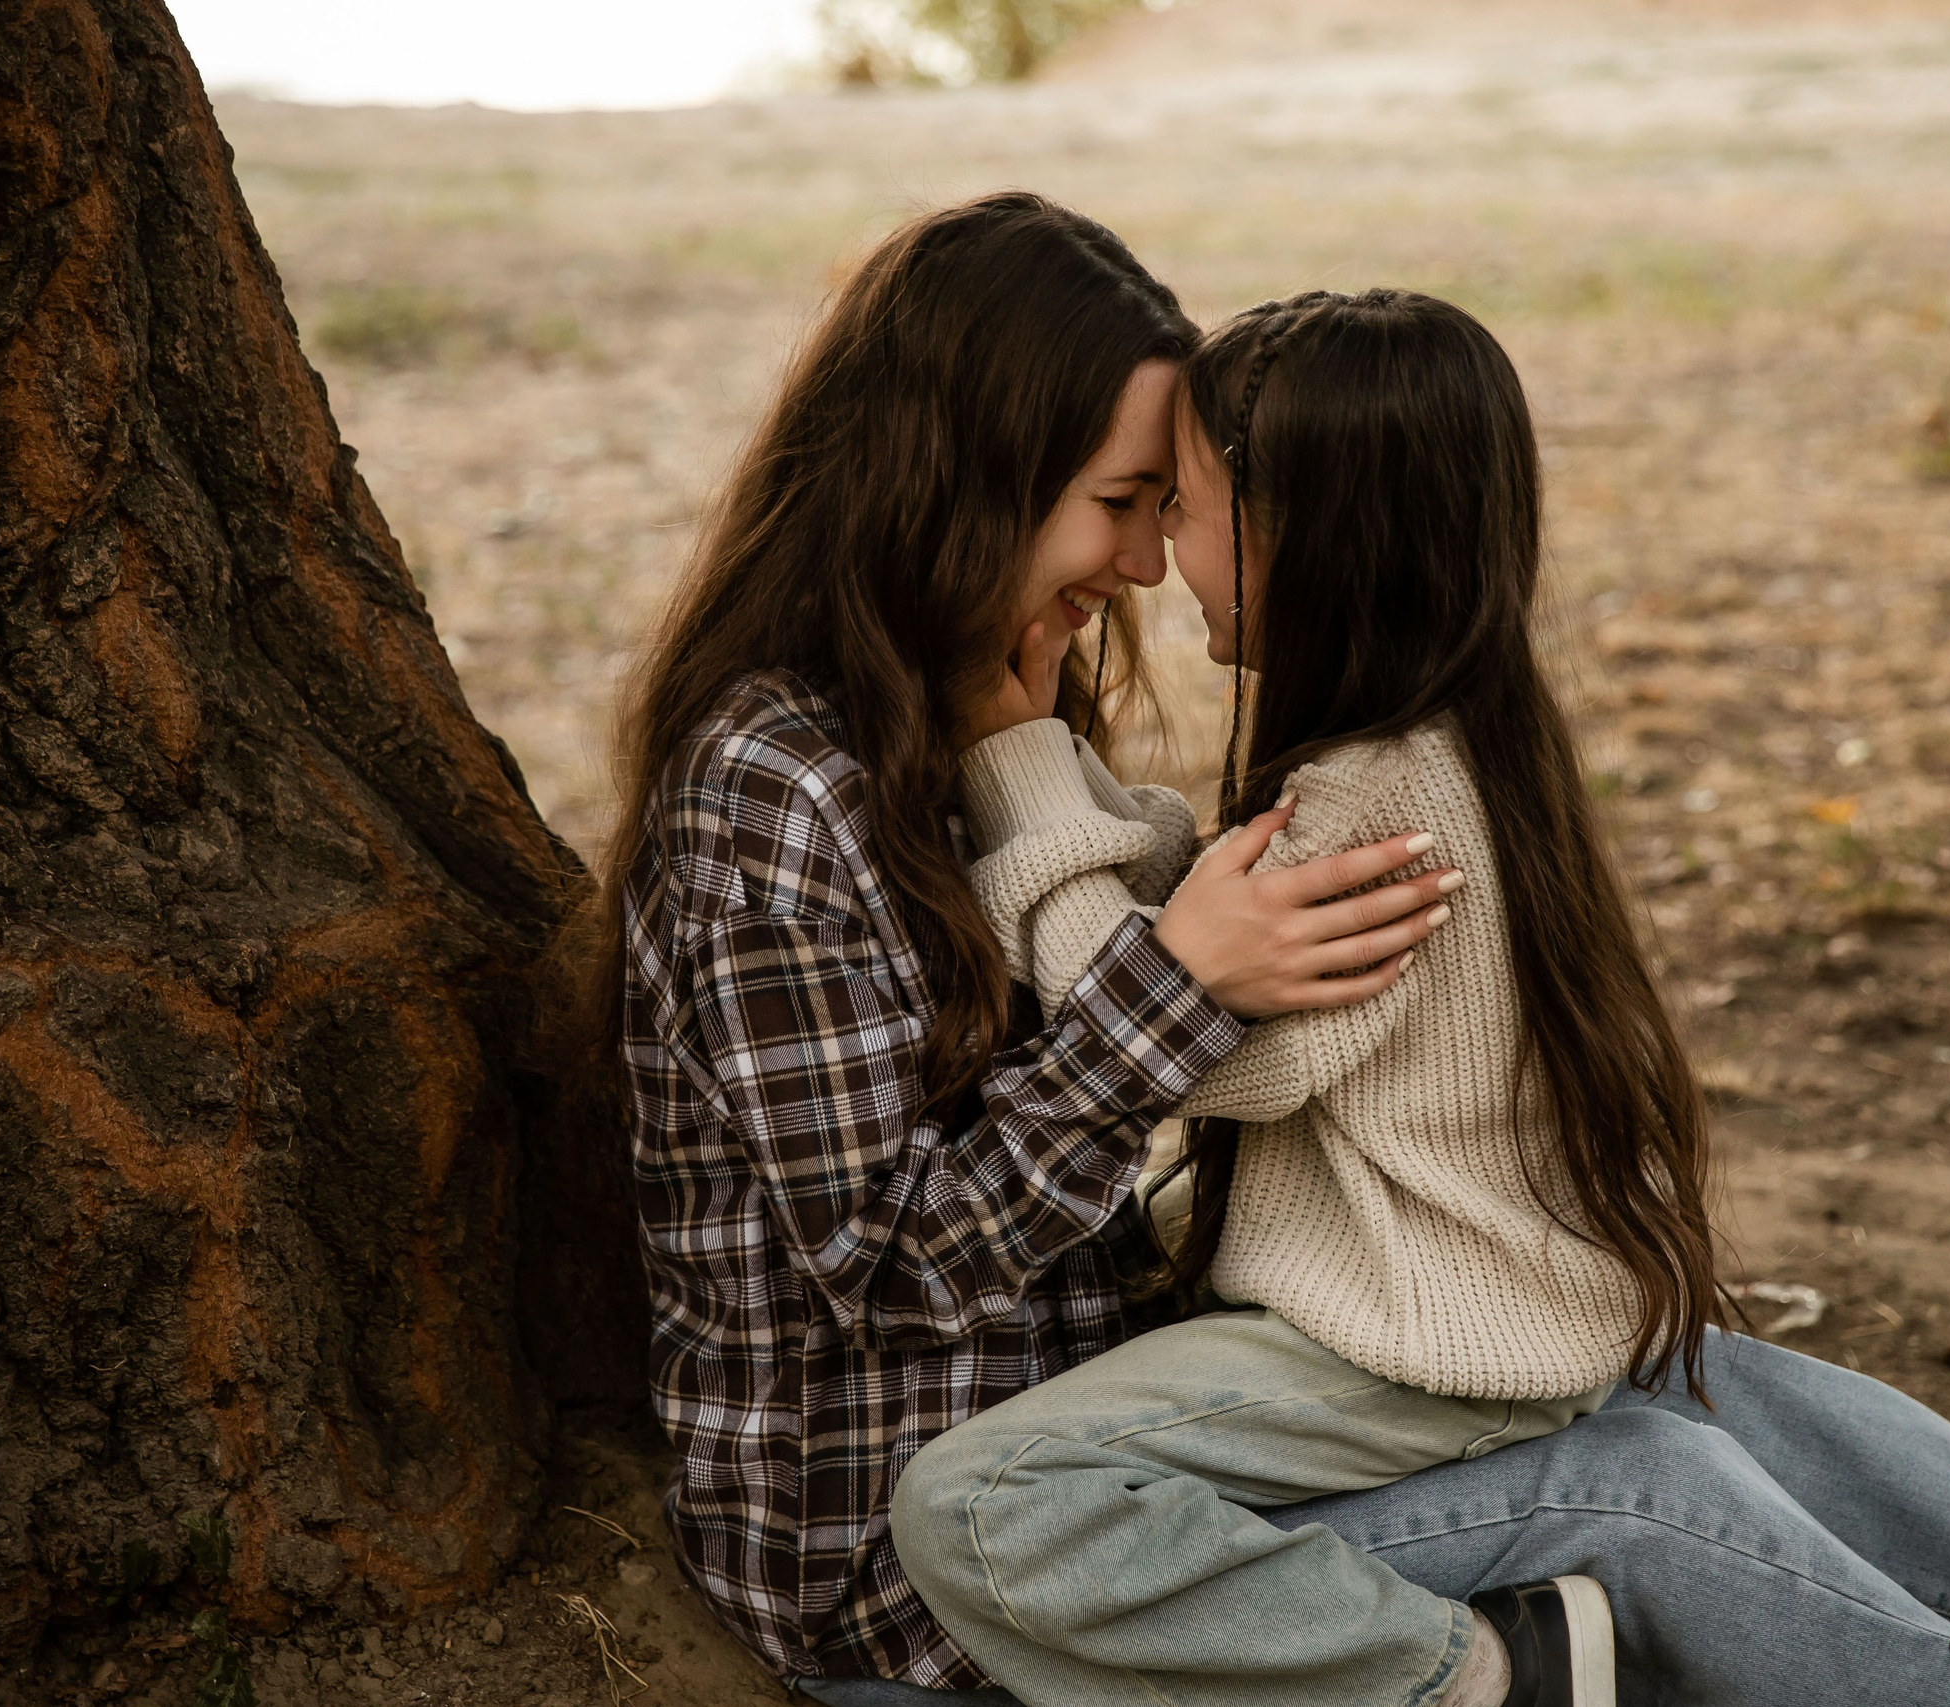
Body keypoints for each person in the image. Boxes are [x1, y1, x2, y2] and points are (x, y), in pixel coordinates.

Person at [887, 289, 1950, 1707]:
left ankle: (1483, 1681)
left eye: (1179, 506)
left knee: (981, 1502)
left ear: (1292, 536)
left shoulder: (1378, 806)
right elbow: (1211, 919)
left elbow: (1182, 1045)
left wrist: (1015, 769)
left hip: (1408, 1353)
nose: (1154, 558)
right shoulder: (1453, 742)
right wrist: (1093, 817)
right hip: (1496, 1312)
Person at [561, 195, 1453, 1698]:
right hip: (914, 1578)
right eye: (1118, 503)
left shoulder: (977, 708)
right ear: (960, 480)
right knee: (1629, 1498)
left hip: (1079, 1462)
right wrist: (1178, 991)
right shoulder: (773, 795)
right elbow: (893, 1264)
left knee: (1662, 1422)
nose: (1149, 569)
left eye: (1162, 507)